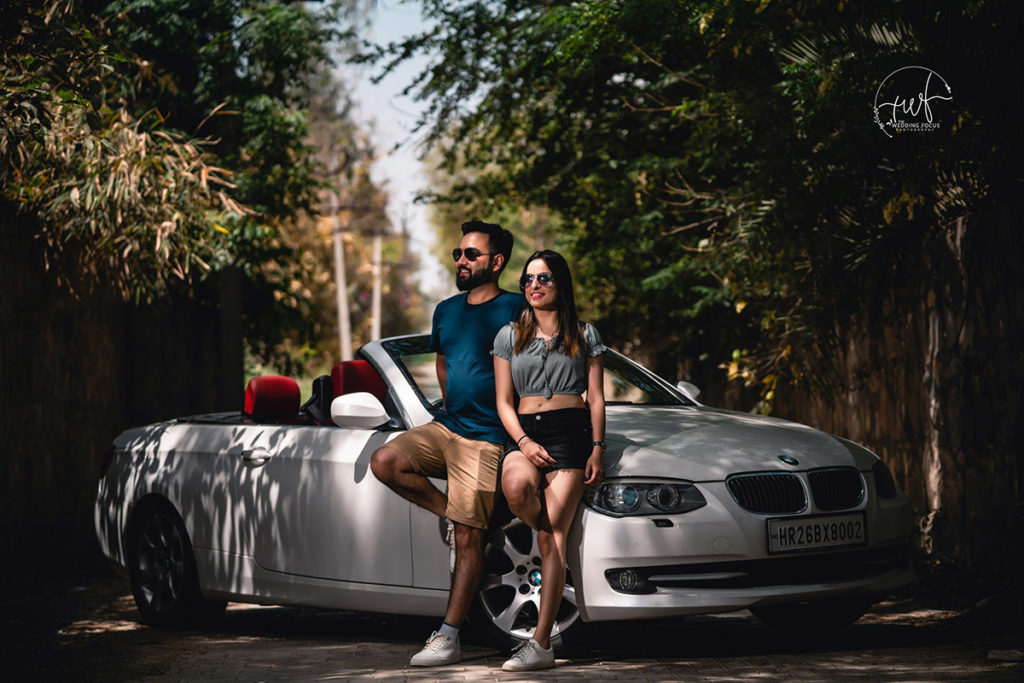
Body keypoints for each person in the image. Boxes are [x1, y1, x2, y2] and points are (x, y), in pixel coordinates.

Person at [369, 220, 524, 667]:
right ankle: (457, 519)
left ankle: (449, 635)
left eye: (471, 254)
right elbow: (442, 363)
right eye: (458, 252)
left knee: (471, 536)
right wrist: (445, 410)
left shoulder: (517, 307)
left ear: (496, 262)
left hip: (488, 437)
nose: (460, 260)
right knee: (386, 460)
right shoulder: (446, 310)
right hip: (448, 427)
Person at [491, 250, 607, 672]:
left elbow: (595, 396)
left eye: (544, 278)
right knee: (517, 488)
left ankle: (541, 643)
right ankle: (549, 536)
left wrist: (597, 446)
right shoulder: (509, 336)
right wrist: (521, 441)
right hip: (526, 432)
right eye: (528, 279)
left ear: (560, 284)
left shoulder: (584, 333)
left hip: (571, 432)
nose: (534, 286)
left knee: (550, 539)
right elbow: (503, 401)